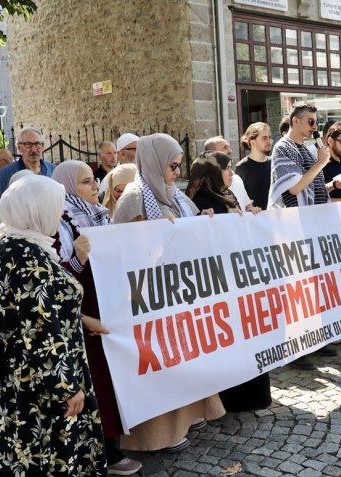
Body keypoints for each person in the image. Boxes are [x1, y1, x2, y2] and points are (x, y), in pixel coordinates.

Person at [0, 175, 107, 476]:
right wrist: (67, 389)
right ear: (36, 210)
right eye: (55, 207)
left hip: (27, 377)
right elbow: (39, 331)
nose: (60, 214)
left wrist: (81, 320)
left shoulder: (15, 243)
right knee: (49, 454)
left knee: (29, 451)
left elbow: (41, 310)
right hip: (42, 385)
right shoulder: (27, 257)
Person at [113, 134, 224, 452]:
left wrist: (203, 222)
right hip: (149, 297)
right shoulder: (135, 197)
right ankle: (160, 433)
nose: (177, 172)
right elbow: (131, 250)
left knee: (184, 354)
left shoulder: (175, 195)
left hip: (178, 292)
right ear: (154, 163)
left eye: (178, 165)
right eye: (172, 166)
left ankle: (188, 415)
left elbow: (190, 227)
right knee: (160, 361)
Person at [52, 161, 142, 476]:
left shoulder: (96, 215)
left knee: (108, 377)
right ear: (65, 187)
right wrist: (78, 258)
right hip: (85, 313)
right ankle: (103, 448)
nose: (94, 186)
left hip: (105, 305)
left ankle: (111, 443)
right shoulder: (59, 220)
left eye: (94, 180)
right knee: (96, 382)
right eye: (86, 181)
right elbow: (55, 279)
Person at [187, 152, 272, 412]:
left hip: (239, 277)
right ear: (214, 173)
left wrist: (251, 215)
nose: (231, 173)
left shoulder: (226, 194)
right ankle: (233, 400)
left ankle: (253, 395)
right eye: (226, 169)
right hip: (220, 282)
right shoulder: (201, 200)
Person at [269, 102, 335, 367]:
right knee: (297, 289)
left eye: (316, 122)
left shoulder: (305, 148)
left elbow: (312, 186)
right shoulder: (282, 148)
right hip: (293, 229)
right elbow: (293, 189)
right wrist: (320, 165)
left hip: (313, 227)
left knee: (314, 286)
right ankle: (297, 349)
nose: (314, 127)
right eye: (310, 121)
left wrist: (328, 183)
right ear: (294, 121)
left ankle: (315, 338)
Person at [0, 127, 56, 212]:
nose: (34, 149)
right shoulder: (6, 173)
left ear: (43, 146)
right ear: (19, 147)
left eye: (37, 144)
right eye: (28, 144)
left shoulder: (53, 170)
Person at [204, 135, 258, 212]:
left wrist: (253, 211)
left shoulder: (236, 178)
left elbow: (247, 206)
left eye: (229, 147)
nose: (230, 151)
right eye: (225, 148)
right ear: (213, 153)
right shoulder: (206, 184)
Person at [236, 122, 272, 210]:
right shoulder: (242, 167)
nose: (269, 141)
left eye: (270, 137)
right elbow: (238, 198)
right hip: (253, 220)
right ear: (252, 142)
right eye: (264, 138)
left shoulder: (274, 162)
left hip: (274, 218)